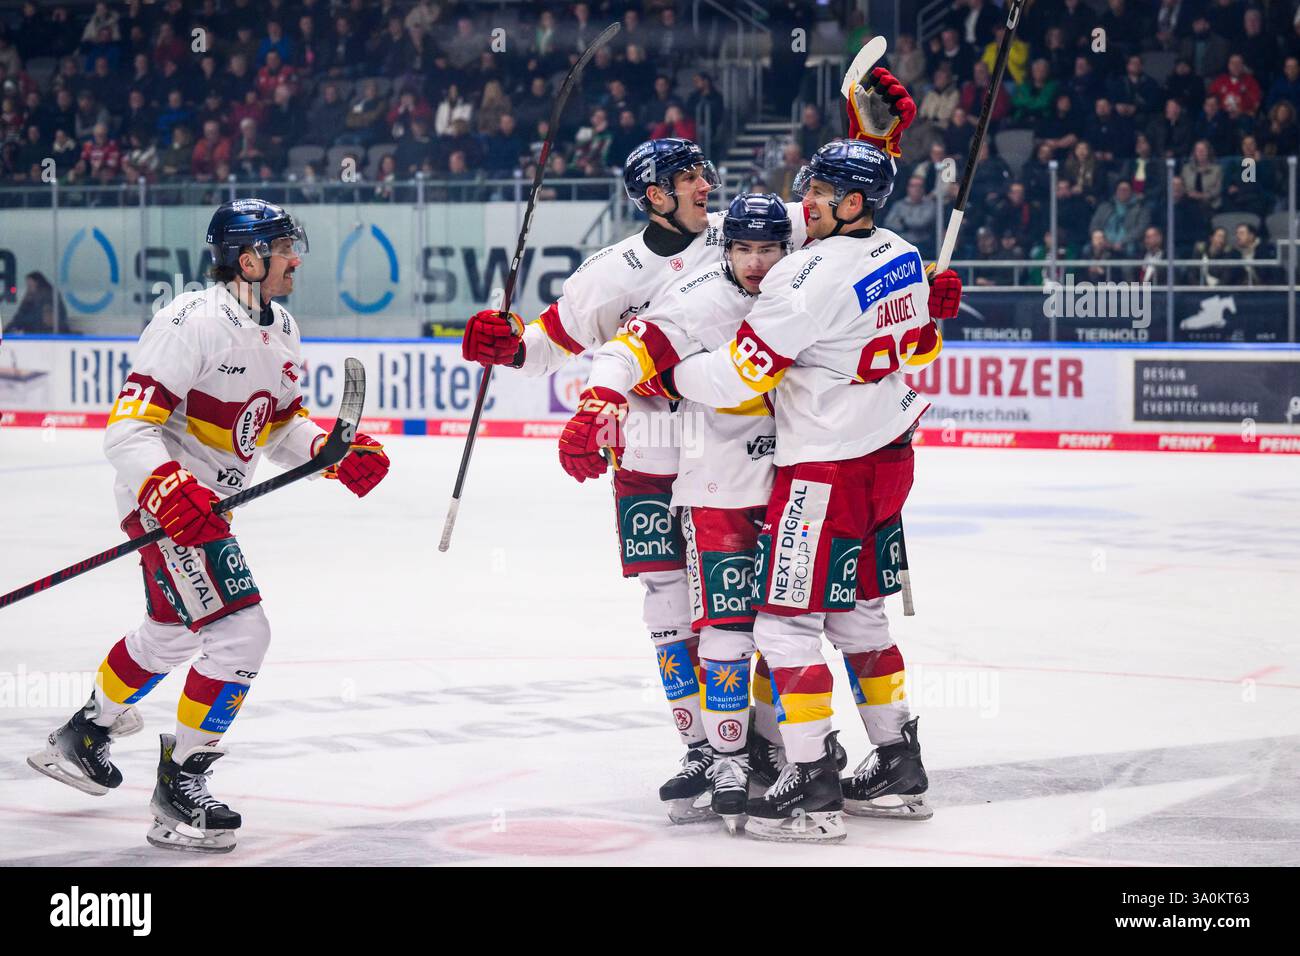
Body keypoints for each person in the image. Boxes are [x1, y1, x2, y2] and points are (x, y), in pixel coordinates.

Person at [573, 140, 959, 842]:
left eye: (816, 193)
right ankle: (900, 761)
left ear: (849, 204)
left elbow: (735, 380)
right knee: (862, 617)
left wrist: (668, 379)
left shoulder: (802, 281)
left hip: (826, 470)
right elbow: (925, 347)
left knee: (783, 627)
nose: (803, 202)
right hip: (892, 456)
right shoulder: (902, 252)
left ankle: (810, 782)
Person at [27, 200, 391, 853]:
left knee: (168, 636)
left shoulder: (281, 328)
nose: (294, 260)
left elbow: (276, 427)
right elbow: (128, 429)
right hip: (169, 506)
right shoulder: (188, 323)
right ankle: (179, 787)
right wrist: (169, 492)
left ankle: (84, 736)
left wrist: (324, 455)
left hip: (205, 508)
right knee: (241, 633)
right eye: (283, 250)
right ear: (248, 259)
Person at [460, 138, 755, 822]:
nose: (704, 185)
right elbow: (546, 346)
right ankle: (701, 746)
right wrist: (506, 346)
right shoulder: (609, 273)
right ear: (653, 194)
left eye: (703, 172)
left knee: (736, 599)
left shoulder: (735, 236)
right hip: (650, 446)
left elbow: (826, 232)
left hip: (731, 443)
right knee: (665, 599)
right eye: (688, 178)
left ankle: (749, 741)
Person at [565, 193, 800, 832]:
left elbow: (849, 220)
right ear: (655, 195)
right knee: (675, 609)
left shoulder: (782, 253)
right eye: (745, 249)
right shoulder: (643, 279)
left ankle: (776, 746)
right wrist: (593, 400)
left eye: (768, 248)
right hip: (680, 465)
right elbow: (601, 345)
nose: (756, 260)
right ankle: (710, 749)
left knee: (783, 623)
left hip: (784, 472)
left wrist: (876, 144)